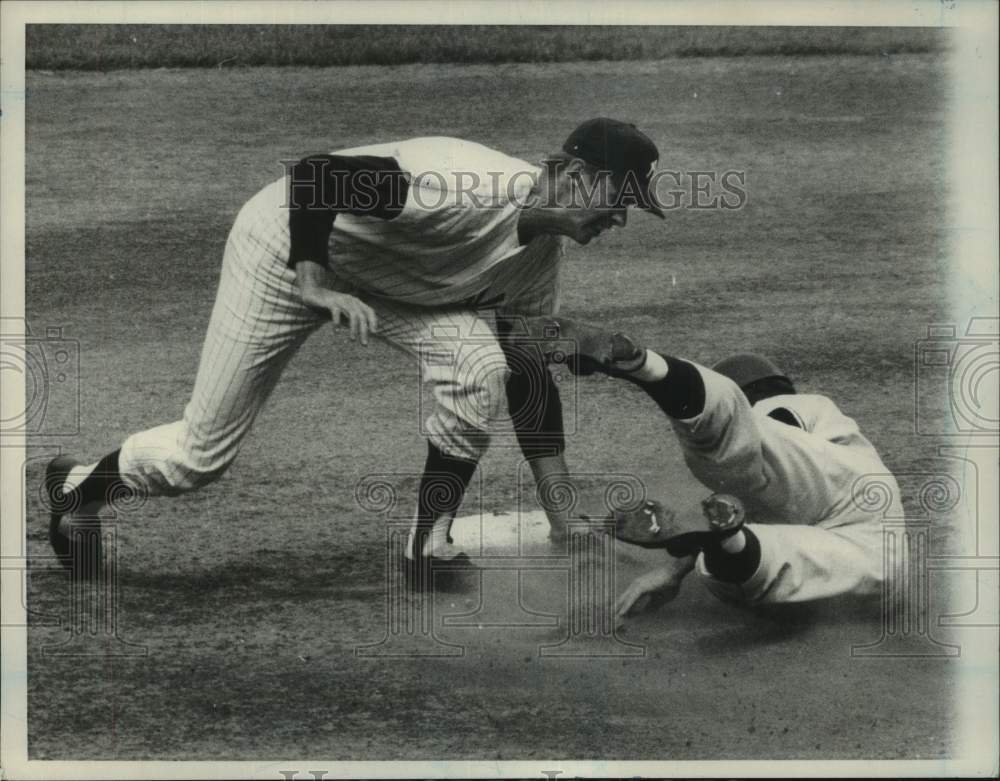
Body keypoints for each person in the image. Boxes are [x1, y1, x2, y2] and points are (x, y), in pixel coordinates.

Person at [43, 118, 666, 588]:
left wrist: (562, 515)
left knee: (479, 366)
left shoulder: (536, 263)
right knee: (196, 459)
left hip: (383, 283)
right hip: (282, 250)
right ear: (578, 178)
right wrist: (313, 282)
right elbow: (317, 179)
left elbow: (527, 373)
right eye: (623, 198)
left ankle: (427, 545)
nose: (623, 218)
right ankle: (77, 490)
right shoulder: (461, 187)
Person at [523, 317, 897, 619]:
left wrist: (672, 569)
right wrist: (674, 572)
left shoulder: (791, 409)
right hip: (873, 562)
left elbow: (763, 442)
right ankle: (725, 539)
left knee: (734, 452)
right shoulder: (834, 437)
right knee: (751, 568)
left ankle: (647, 365)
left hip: (843, 496)